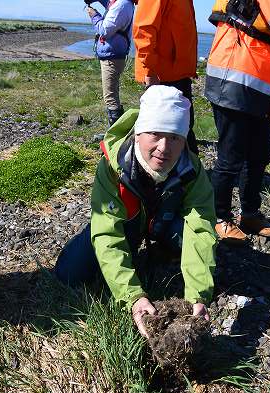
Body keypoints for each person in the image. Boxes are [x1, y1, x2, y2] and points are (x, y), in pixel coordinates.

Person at [55, 86, 217, 337]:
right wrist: (133, 297)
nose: (164, 147)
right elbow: (108, 234)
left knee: (190, 239)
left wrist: (198, 295)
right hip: (124, 226)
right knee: (69, 273)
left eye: (175, 137)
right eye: (155, 133)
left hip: (164, 224)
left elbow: (201, 228)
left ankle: (163, 251)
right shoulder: (112, 167)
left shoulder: (192, 171)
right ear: (138, 133)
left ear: (184, 140)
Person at [205, 0, 270, 244]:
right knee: (230, 158)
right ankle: (218, 217)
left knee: (260, 153)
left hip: (257, 78)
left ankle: (249, 214)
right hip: (234, 76)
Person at [132, 0, 199, 155]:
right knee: (169, 131)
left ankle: (187, 174)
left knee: (183, 127)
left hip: (177, 74)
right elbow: (144, 29)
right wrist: (150, 70)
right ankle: (185, 175)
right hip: (163, 76)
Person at [87, 0, 135, 128]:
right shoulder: (122, 3)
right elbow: (110, 4)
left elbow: (104, 30)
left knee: (110, 97)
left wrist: (94, 16)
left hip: (112, 56)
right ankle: (116, 131)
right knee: (112, 95)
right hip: (113, 55)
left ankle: (115, 135)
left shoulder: (122, 4)